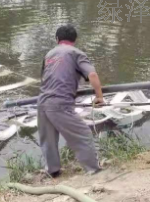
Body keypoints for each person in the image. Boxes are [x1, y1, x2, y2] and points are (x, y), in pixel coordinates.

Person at [37, 24, 105, 177]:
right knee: (83, 134)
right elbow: (92, 75)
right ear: (75, 39)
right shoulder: (76, 53)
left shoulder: (49, 54)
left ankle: (52, 171)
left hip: (42, 102)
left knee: (48, 139)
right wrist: (99, 96)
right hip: (60, 103)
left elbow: (44, 78)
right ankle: (94, 170)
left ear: (57, 39)